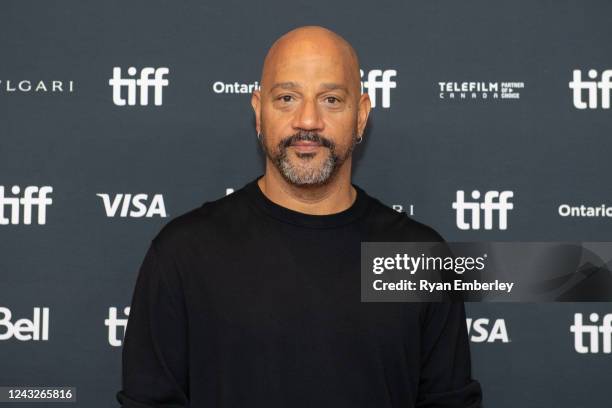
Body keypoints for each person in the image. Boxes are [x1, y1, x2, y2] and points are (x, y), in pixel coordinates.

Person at [116, 25, 482, 408]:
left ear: (361, 116)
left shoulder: (415, 256)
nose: (308, 121)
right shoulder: (184, 253)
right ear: (259, 112)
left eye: (331, 100)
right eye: (287, 98)